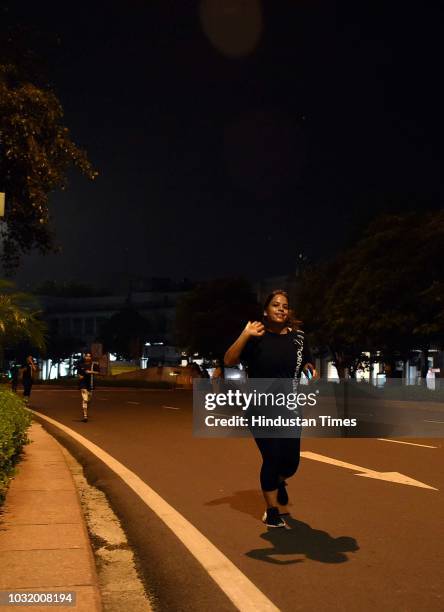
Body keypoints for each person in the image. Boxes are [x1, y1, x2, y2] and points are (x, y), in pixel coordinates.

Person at [224, 290, 316, 528]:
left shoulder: (298, 338)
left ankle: (279, 481)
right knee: (273, 457)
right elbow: (229, 360)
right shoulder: (256, 336)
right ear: (266, 311)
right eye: (275, 305)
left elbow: (307, 363)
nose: (281, 309)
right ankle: (272, 510)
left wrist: (310, 371)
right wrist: (245, 334)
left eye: (285, 306)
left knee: (292, 463)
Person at [77, 352, 100, 422]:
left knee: (88, 400)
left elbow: (98, 372)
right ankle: (85, 416)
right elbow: (79, 374)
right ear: (84, 357)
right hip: (83, 385)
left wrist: (90, 372)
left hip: (90, 384)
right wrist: (80, 376)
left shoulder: (93, 365)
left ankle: (85, 410)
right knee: (85, 400)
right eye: (87, 356)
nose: (88, 357)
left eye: (89, 356)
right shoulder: (81, 365)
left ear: (91, 358)